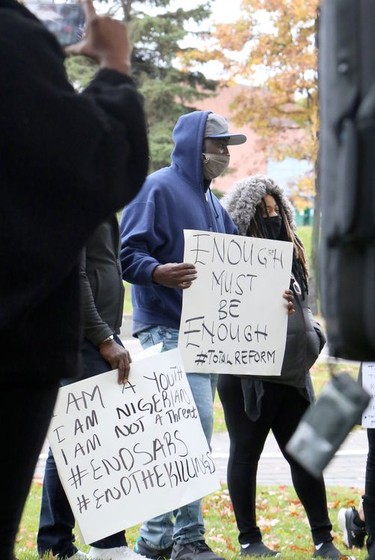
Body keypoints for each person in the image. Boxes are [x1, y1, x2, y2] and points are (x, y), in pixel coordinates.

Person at [0, 2, 148, 560]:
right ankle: (62, 539)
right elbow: (96, 160)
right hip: (15, 343)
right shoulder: (12, 38)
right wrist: (113, 65)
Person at [119, 111, 247, 560]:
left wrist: (275, 299)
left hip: (209, 334)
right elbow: (127, 254)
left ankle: (154, 542)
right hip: (166, 329)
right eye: (219, 145)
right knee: (193, 431)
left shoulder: (215, 204)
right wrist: (159, 272)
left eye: (229, 146)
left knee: (183, 436)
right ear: (196, 146)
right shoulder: (156, 188)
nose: (225, 155)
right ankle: (188, 540)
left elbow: (240, 268)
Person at [217, 175, 345, 559]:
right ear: (246, 216)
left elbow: (306, 309)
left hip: (292, 375)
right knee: (245, 453)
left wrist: (314, 337)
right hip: (249, 378)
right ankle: (249, 540)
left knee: (306, 455)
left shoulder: (292, 255)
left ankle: (323, 539)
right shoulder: (232, 259)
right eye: (263, 212)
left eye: (276, 210)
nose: (271, 217)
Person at [37, 216, 149, 560]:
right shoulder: (76, 196)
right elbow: (75, 275)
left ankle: (58, 544)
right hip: (86, 335)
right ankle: (104, 545)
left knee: (76, 441)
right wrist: (103, 336)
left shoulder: (95, 197)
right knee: (88, 442)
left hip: (95, 332)